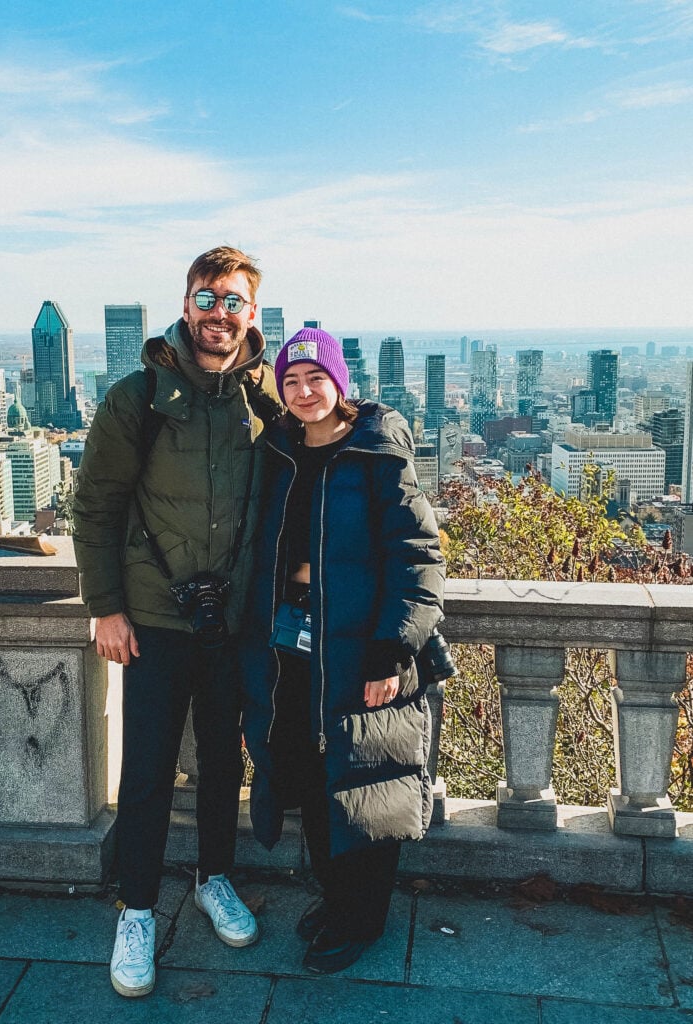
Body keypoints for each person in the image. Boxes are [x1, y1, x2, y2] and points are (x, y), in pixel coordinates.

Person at [72, 247, 281, 998]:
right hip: (155, 615)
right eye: (207, 298)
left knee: (224, 761)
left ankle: (212, 876)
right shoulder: (138, 397)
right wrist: (105, 606)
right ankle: (136, 910)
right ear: (186, 304)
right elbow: (95, 505)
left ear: (252, 313)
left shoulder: (267, 397)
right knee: (149, 767)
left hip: (233, 618)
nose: (219, 314)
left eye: (233, 301)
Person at [241, 327, 446, 974]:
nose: (304, 391)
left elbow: (417, 557)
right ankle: (336, 899)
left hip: (363, 648)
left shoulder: (375, 449)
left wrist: (393, 651)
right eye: (291, 381)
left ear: (339, 382)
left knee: (368, 783)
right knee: (310, 774)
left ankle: (361, 920)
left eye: (316, 378)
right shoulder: (279, 451)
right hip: (294, 645)